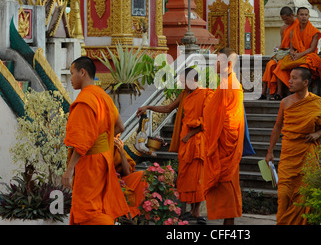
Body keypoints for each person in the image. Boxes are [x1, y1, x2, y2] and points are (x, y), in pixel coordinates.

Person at [265, 67, 321, 225]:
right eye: (290, 78)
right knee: (284, 195)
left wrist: (318, 133)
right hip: (288, 153)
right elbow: (278, 126)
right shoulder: (285, 102)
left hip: (307, 154)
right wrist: (270, 151)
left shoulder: (318, 103)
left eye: (294, 78)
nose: (290, 81)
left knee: (305, 195)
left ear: (305, 82)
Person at [136, 68, 213, 223]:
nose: (180, 84)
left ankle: (197, 212)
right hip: (186, 142)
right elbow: (168, 108)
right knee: (185, 177)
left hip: (197, 141)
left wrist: (189, 135)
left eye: (183, 81)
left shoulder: (206, 94)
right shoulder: (185, 94)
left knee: (197, 177)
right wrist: (148, 107)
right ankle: (189, 211)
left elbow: (208, 120)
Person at [62, 56, 130, 225]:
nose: (70, 78)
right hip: (103, 160)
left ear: (82, 72)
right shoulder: (104, 96)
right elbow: (120, 126)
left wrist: (69, 170)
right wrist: (102, 141)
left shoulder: (85, 100)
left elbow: (82, 142)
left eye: (72, 73)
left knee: (88, 212)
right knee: (99, 205)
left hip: (90, 162)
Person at [203, 47, 245, 225]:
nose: (214, 64)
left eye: (217, 61)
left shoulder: (231, 85)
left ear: (228, 64)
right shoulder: (226, 83)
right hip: (223, 139)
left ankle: (229, 225)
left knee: (227, 183)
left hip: (226, 142)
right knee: (226, 184)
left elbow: (227, 118)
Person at [272, 7, 321, 100]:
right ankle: (279, 92)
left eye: (306, 15)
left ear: (308, 16)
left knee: (301, 69)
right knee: (280, 65)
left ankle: (300, 94)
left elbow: (312, 49)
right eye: (301, 15)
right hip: (296, 55)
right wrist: (292, 52)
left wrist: (299, 55)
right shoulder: (293, 31)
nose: (304, 17)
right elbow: (292, 47)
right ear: (297, 16)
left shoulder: (314, 31)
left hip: (308, 56)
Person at [259, 7, 298, 100]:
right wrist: (278, 48)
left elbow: (298, 43)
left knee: (280, 65)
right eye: (283, 19)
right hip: (283, 52)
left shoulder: (298, 26)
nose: (285, 21)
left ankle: (279, 92)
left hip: (292, 53)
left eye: (286, 19)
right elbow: (283, 43)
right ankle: (264, 92)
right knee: (270, 64)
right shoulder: (284, 28)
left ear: (292, 15)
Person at [113, 134, 147, 218]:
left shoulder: (118, 149)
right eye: (115, 137)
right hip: (107, 181)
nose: (116, 140)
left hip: (120, 180)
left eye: (118, 137)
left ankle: (134, 212)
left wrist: (121, 152)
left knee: (142, 175)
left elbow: (128, 172)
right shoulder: (101, 147)